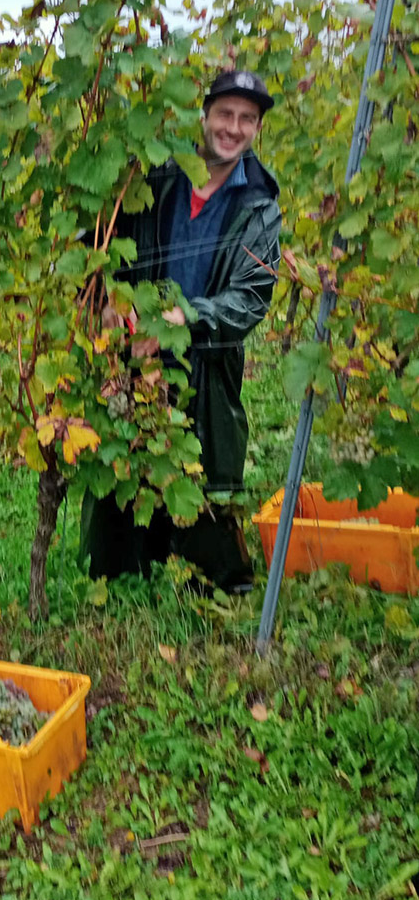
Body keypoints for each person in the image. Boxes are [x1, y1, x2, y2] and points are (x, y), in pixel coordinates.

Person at [79, 69, 282, 592]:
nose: (233, 128)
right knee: (123, 461)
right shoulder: (152, 175)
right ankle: (121, 576)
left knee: (204, 474)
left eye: (247, 119)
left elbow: (250, 297)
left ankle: (211, 585)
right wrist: (105, 302)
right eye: (225, 114)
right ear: (205, 115)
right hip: (133, 355)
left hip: (205, 363)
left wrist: (182, 321)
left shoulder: (259, 204)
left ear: (257, 128)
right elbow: (100, 246)